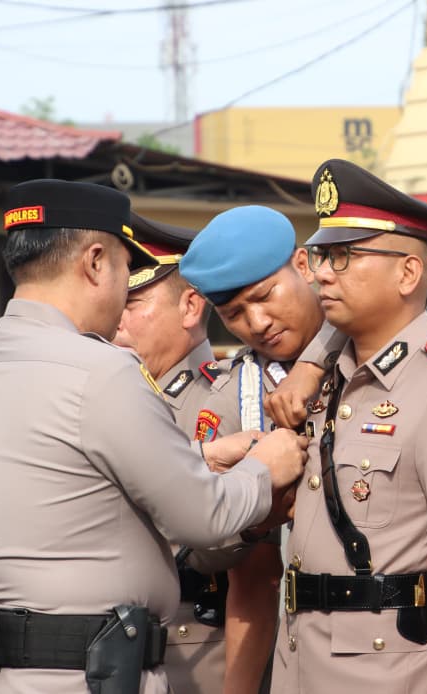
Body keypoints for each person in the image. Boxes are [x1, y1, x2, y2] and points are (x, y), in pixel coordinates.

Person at [0, 179, 306, 693]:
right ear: (96, 262)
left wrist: (202, 455)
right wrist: (268, 466)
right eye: (128, 271)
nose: (124, 291)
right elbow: (204, 517)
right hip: (84, 673)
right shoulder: (102, 372)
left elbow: (65, 478)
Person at [267, 159, 427, 694]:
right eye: (322, 255)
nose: (323, 273)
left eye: (344, 257)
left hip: (388, 670)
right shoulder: (326, 378)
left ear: (408, 273)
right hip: (300, 662)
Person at [113, 212, 281, 694]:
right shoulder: (119, 401)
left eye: (133, 302)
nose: (115, 320)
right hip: (122, 643)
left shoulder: (231, 399)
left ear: (190, 307)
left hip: (198, 644)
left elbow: (258, 573)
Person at [177, 205, 328, 693]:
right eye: (233, 314)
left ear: (304, 266)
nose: (257, 323)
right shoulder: (237, 396)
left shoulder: (370, 358)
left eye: (264, 297)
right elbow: (251, 577)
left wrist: (315, 363)